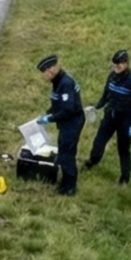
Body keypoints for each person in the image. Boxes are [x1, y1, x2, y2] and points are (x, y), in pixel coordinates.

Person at [86, 49, 131, 185]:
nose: (116, 68)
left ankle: (125, 177)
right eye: (114, 65)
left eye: (119, 65)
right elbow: (106, 95)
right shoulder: (112, 76)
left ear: (126, 64)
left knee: (123, 149)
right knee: (99, 142)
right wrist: (97, 107)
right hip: (110, 117)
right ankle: (93, 161)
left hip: (125, 120)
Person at [37, 54, 85, 196]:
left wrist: (50, 119)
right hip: (66, 121)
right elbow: (57, 103)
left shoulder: (65, 83)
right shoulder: (57, 82)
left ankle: (70, 187)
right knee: (63, 150)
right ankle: (64, 182)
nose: (45, 75)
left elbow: (68, 111)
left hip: (72, 121)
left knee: (67, 154)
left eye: (46, 72)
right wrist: (48, 114)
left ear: (51, 69)